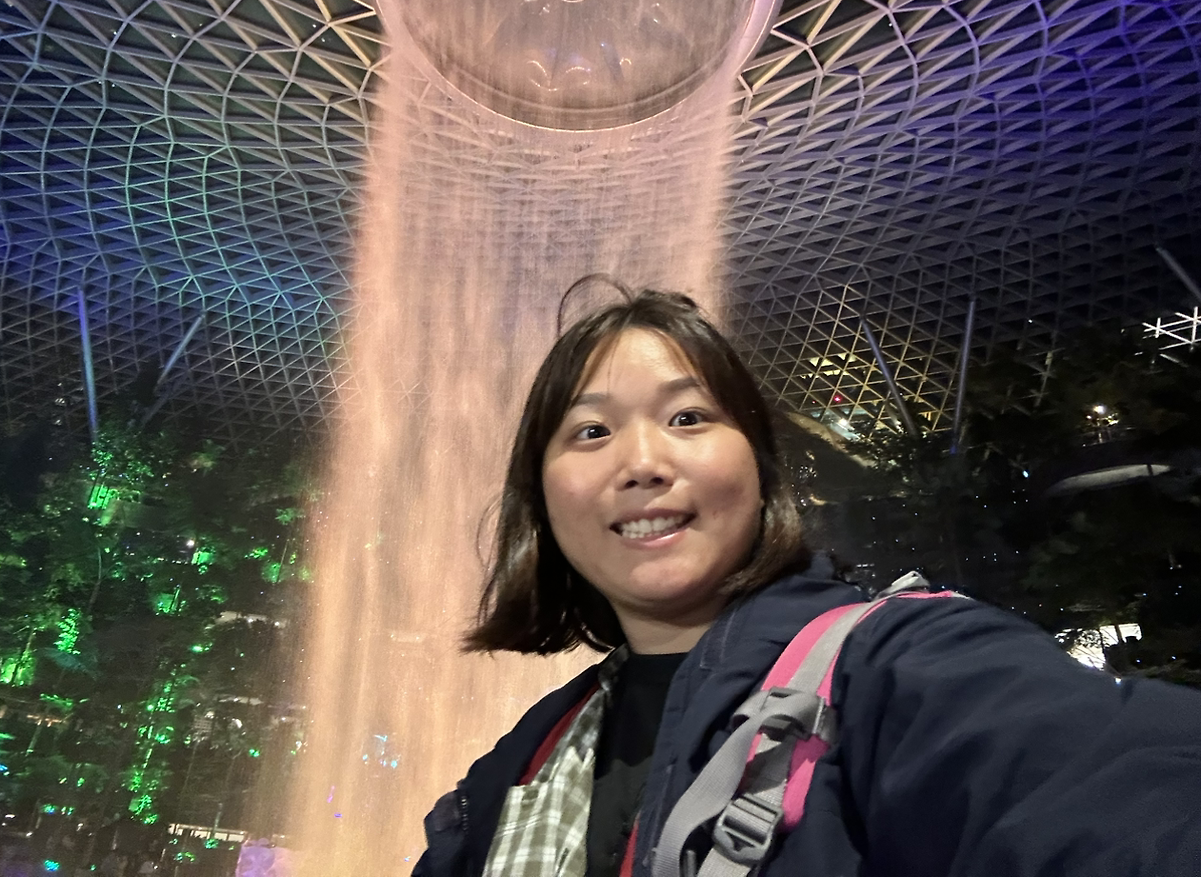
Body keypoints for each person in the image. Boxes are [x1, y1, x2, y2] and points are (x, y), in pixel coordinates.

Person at [414, 285, 1201, 877]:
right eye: (591, 431)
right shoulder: (525, 756)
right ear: (541, 498)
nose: (642, 463)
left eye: (688, 418)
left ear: (759, 471)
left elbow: (1111, 790)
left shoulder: (893, 668)